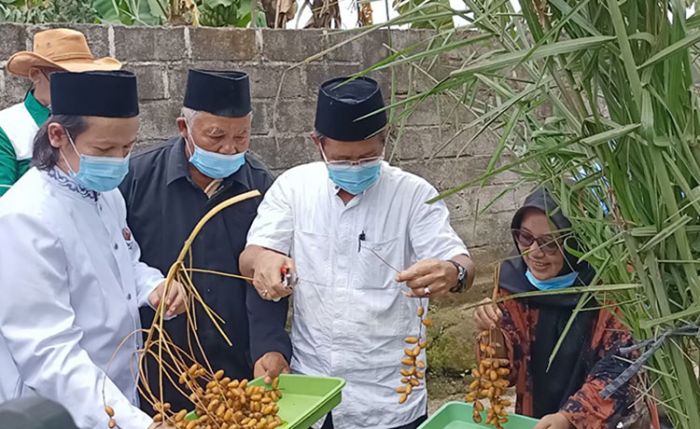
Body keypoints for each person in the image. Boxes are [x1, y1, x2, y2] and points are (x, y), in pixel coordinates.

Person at [240, 76, 476, 429]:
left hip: (389, 399)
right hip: (313, 392)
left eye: (367, 157)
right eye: (342, 159)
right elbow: (251, 256)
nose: (355, 168)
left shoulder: (412, 195)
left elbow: (463, 264)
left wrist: (452, 273)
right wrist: (264, 260)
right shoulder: (294, 187)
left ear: (385, 139)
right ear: (318, 144)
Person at [0, 70, 185, 429]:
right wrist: (136, 423)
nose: (117, 161)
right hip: (55, 409)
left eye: (127, 148)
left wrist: (154, 287)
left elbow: (125, 261)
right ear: (57, 135)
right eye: (104, 150)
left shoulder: (105, 195)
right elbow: (49, 352)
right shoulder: (25, 217)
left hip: (114, 396)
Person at [120, 69, 292, 414]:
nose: (229, 149)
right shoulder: (135, 179)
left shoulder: (261, 187)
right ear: (184, 128)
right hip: (158, 366)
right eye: (215, 137)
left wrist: (270, 347)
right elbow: (119, 261)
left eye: (241, 137)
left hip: (237, 369)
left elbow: (266, 280)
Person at [473, 188, 659, 429]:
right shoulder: (512, 283)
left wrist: (571, 418)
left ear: (578, 242)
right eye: (525, 238)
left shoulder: (611, 284)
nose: (534, 253)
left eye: (549, 243)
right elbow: (503, 376)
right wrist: (492, 335)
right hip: (539, 418)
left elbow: (620, 366)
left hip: (604, 420)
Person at [0, 28, 121, 197]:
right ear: (36, 74)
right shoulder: (7, 127)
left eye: (82, 77)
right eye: (65, 77)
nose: (76, 87)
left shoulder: (94, 120)